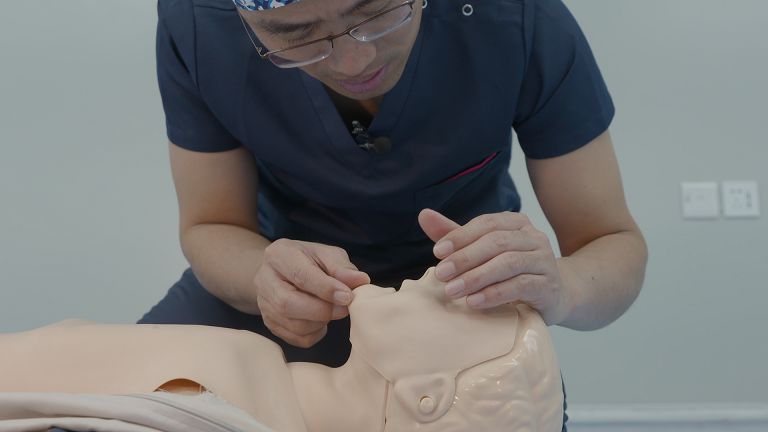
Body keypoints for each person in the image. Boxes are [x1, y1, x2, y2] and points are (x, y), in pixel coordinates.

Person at [139, 0, 648, 428]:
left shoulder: (516, 18)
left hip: (464, 296)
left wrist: (563, 286)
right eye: (296, 35)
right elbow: (212, 225)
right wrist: (262, 277)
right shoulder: (197, 23)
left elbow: (611, 240)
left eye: (376, 13)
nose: (353, 62)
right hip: (280, 276)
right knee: (125, 395)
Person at [0, 269, 563, 432]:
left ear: (427, 397)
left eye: (470, 310)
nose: (443, 277)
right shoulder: (261, 372)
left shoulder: (229, 408)